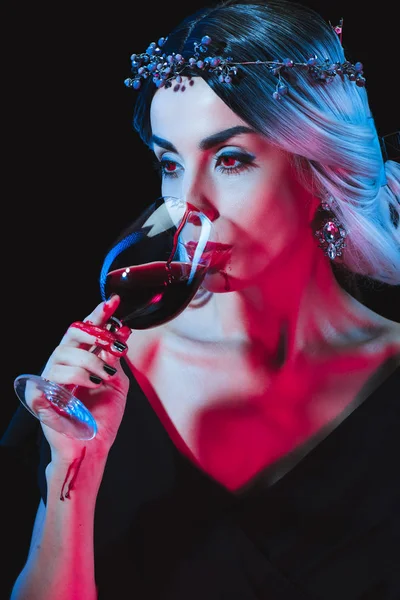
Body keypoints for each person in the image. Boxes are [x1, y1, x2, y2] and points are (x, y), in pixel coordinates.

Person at [2, 0, 400, 598]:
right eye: (168, 162)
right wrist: (73, 477)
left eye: (231, 159)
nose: (189, 207)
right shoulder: (97, 379)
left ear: (318, 172)